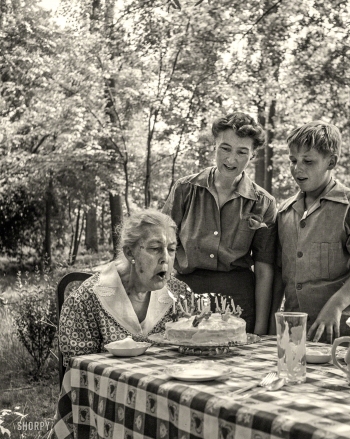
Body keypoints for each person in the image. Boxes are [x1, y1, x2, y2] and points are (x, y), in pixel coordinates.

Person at [268, 121, 350, 343]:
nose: (298, 168)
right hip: (298, 332)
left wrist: (335, 305)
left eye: (308, 161)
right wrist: (271, 324)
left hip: (346, 331)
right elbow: (280, 273)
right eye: (293, 160)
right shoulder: (285, 212)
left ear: (332, 162)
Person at [163, 112, 277, 335]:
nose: (231, 159)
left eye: (242, 152)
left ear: (252, 155)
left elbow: (264, 270)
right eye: (225, 148)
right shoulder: (185, 190)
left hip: (238, 303)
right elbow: (162, 246)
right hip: (185, 298)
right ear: (214, 145)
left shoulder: (264, 203)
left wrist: (261, 329)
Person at [58, 208, 178, 368]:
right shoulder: (88, 299)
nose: (165, 259)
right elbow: (77, 368)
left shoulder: (178, 296)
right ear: (130, 253)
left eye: (171, 249)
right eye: (155, 248)